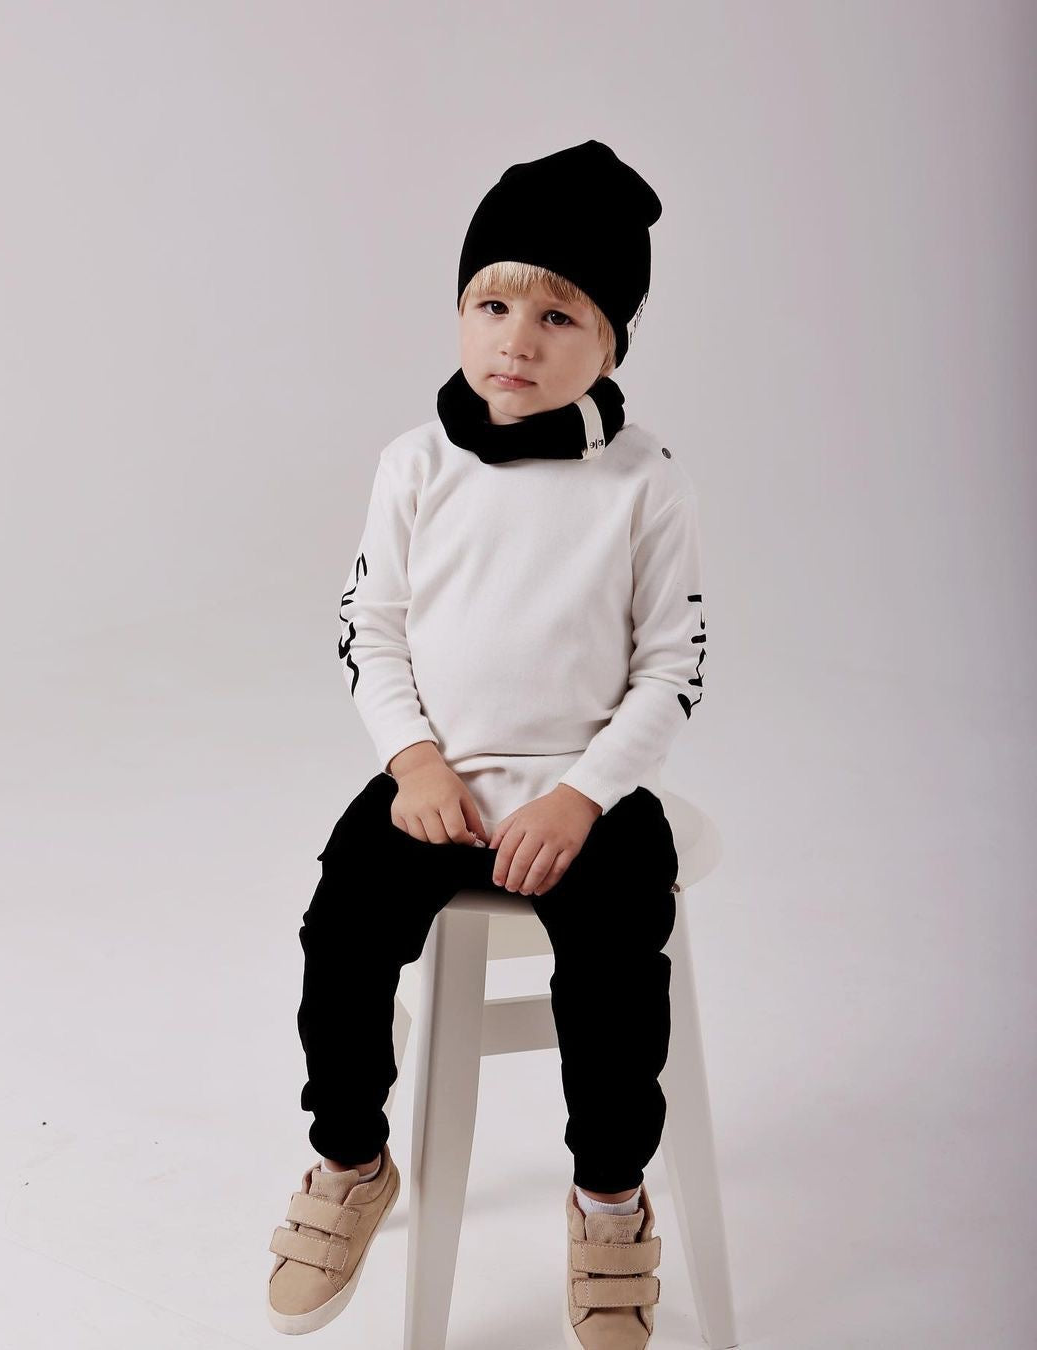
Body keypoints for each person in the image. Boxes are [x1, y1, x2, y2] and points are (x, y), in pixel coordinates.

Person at [267, 139, 707, 1350]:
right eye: (492, 304)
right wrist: (412, 762)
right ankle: (350, 1160)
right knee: (340, 935)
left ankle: (608, 1198)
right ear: (461, 311)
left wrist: (584, 794)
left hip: (583, 794)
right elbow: (371, 626)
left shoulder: (644, 482)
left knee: (616, 981)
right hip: (439, 787)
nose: (518, 339)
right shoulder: (415, 464)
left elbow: (674, 665)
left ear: (611, 342)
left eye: (559, 315)